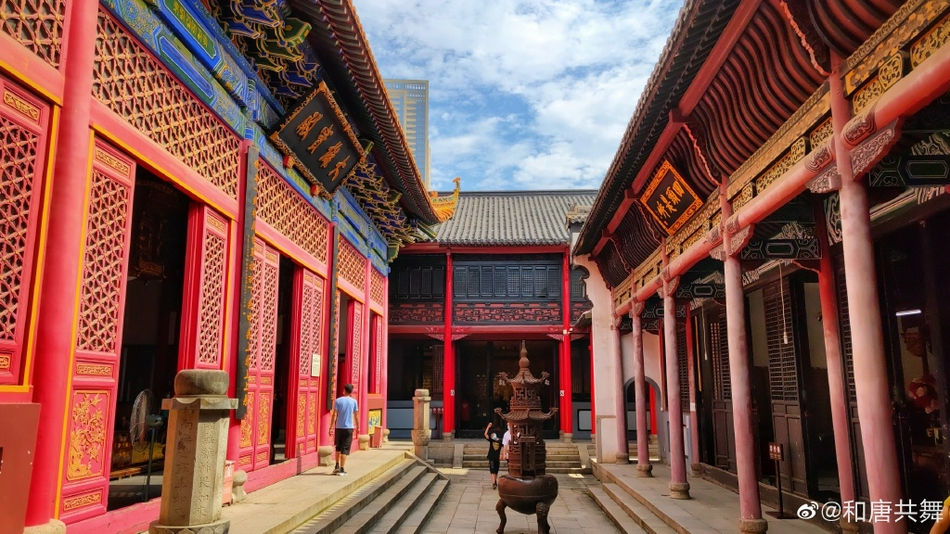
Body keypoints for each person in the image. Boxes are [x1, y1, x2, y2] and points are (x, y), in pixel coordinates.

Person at [329, 384, 359, 476]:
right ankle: (342, 469)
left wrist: (331, 427)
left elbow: (334, 414)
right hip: (349, 428)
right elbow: (356, 416)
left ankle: (336, 466)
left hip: (339, 427)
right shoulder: (354, 402)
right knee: (345, 449)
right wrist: (358, 426)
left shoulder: (338, 401)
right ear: (351, 392)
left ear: (344, 390)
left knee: (338, 447)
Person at [484, 422, 503, 489]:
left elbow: (504, 446)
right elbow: (485, 434)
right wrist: (488, 427)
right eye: (491, 436)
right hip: (491, 456)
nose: (493, 436)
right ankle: (493, 483)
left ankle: (495, 481)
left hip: (497, 457)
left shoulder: (500, 441)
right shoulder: (491, 441)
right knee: (492, 469)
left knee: (496, 470)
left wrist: (502, 454)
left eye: (493, 435)